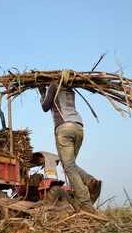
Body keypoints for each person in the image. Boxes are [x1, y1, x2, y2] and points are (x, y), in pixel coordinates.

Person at [38, 81, 101, 213]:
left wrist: (43, 92)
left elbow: (45, 106)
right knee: (70, 165)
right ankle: (90, 181)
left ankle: (85, 202)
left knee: (68, 167)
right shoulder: (70, 89)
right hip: (78, 127)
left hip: (64, 128)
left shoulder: (54, 85)